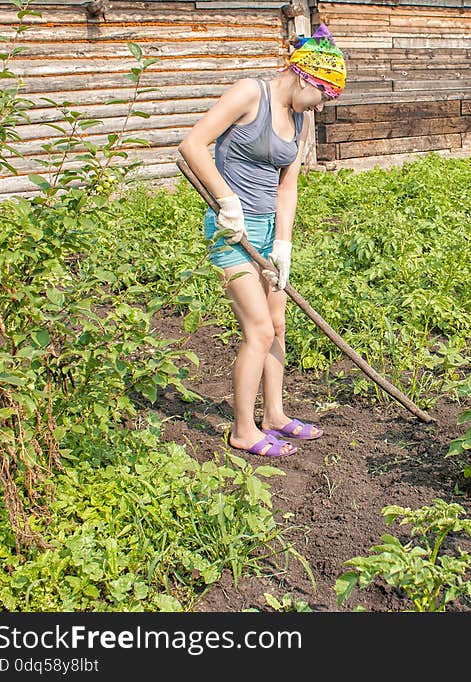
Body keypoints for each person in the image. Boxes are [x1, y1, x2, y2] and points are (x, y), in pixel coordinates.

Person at [178, 24, 346, 458]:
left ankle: (274, 415)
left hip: (268, 231)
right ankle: (244, 430)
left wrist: (283, 243)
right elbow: (193, 145)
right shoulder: (249, 93)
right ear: (304, 77)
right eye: (324, 95)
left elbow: (287, 187)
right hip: (230, 228)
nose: (323, 107)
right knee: (257, 329)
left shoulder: (301, 119)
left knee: (278, 326)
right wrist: (226, 201)